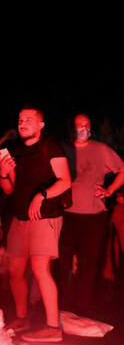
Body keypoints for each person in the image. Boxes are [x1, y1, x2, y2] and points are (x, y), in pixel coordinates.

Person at [0, 104, 71, 343]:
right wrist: (3, 172)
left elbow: (65, 181)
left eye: (29, 119)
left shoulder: (51, 146)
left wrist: (41, 196)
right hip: (20, 219)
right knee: (15, 271)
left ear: (41, 124)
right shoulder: (17, 151)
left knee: (40, 270)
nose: (23, 123)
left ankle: (53, 328)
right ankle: (22, 317)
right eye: (20, 119)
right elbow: (10, 188)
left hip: (45, 216)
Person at [56, 114, 124, 312]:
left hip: (94, 214)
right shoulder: (63, 149)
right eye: (79, 126)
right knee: (63, 261)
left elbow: (122, 169)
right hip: (66, 213)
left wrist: (109, 190)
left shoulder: (101, 149)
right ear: (72, 128)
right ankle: (62, 303)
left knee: (88, 261)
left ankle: (82, 303)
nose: (83, 129)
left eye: (86, 126)